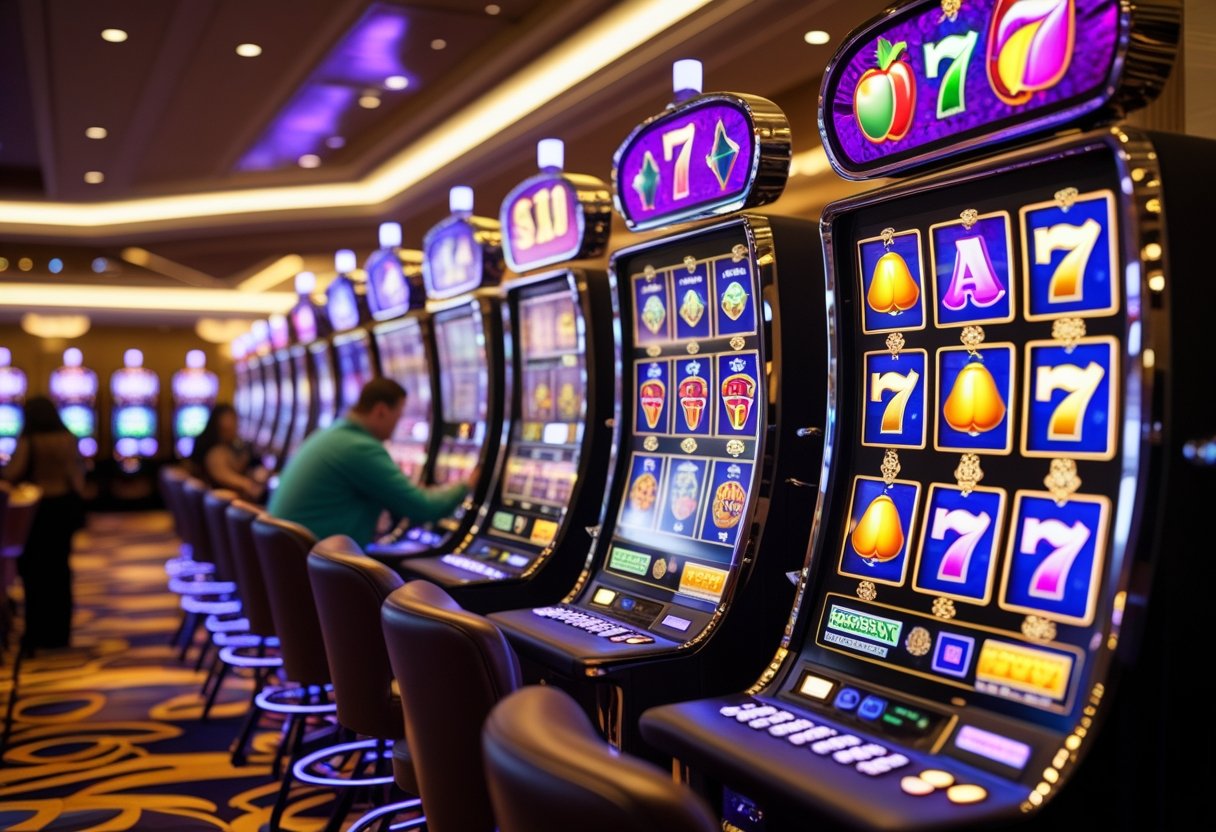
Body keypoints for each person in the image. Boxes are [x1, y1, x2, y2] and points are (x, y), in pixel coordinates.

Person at [269, 378, 468, 543]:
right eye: (397, 417)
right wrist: (468, 484)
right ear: (380, 410)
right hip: (311, 571)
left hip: (290, 564)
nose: (395, 428)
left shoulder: (335, 434)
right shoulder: (359, 448)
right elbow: (424, 508)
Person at [3, 396, 86, 654]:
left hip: (38, 510)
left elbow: (12, 472)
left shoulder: (30, 439)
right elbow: (77, 478)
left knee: (35, 573)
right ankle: (59, 632)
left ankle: (36, 632)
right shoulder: (68, 437)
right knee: (60, 570)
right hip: (63, 508)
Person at [189, 403, 266, 501]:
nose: (236, 427)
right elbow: (240, 483)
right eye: (233, 422)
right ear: (220, 426)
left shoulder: (226, 448)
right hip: (224, 506)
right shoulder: (216, 453)